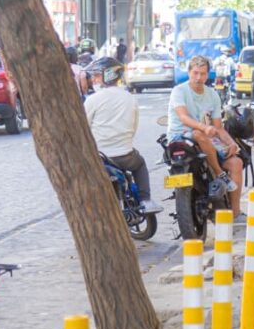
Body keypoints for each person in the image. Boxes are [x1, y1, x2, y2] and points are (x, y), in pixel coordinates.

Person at [167, 55, 245, 216]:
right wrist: (204, 127)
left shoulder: (212, 95)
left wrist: (231, 143)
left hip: (207, 141)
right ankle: (218, 173)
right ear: (188, 72)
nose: (198, 77)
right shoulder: (179, 91)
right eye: (195, 73)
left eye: (202, 74)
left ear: (208, 74)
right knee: (198, 133)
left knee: (236, 163)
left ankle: (235, 212)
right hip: (181, 138)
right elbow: (184, 117)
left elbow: (218, 127)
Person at [84, 57, 162, 215]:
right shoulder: (130, 98)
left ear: (108, 76)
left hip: (100, 157)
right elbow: (133, 127)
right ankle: (145, 200)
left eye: (97, 75)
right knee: (139, 164)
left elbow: (83, 126)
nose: (93, 80)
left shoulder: (92, 100)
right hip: (125, 155)